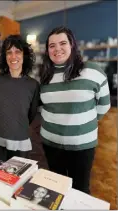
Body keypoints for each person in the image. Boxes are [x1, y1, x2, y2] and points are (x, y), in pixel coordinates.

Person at [39, 26, 111, 194]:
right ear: (47, 50)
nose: (57, 49)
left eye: (63, 43)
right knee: (56, 187)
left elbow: (104, 105)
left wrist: (82, 123)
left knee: (80, 190)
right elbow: (43, 106)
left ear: (72, 45)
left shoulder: (92, 70)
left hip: (82, 146)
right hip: (51, 143)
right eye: (52, 45)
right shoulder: (44, 75)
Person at [0, 35, 40, 161]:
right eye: (9, 52)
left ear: (24, 55)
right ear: (5, 57)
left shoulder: (33, 85)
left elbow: (32, 114)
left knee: (18, 177)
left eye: (17, 52)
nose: (13, 56)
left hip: (20, 140)